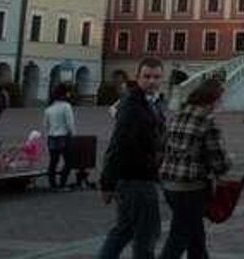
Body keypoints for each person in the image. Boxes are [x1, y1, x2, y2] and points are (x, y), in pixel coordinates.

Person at [98, 58, 166, 259]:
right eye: (147, 76)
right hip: (137, 178)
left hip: (137, 176)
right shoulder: (132, 105)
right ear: (137, 78)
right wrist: (107, 183)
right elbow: (117, 145)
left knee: (124, 230)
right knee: (147, 233)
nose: (152, 81)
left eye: (156, 77)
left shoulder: (149, 102)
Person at [159, 77, 231, 259]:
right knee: (178, 239)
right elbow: (219, 163)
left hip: (169, 184)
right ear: (212, 99)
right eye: (219, 99)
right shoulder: (207, 121)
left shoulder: (177, 115)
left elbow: (164, 146)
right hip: (191, 188)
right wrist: (229, 160)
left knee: (196, 238)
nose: (219, 104)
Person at [44, 84, 76, 190]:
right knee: (69, 161)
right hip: (64, 136)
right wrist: (72, 134)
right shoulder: (66, 106)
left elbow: (45, 125)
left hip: (52, 136)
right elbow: (70, 123)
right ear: (65, 94)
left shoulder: (49, 108)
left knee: (53, 161)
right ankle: (62, 183)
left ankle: (52, 184)